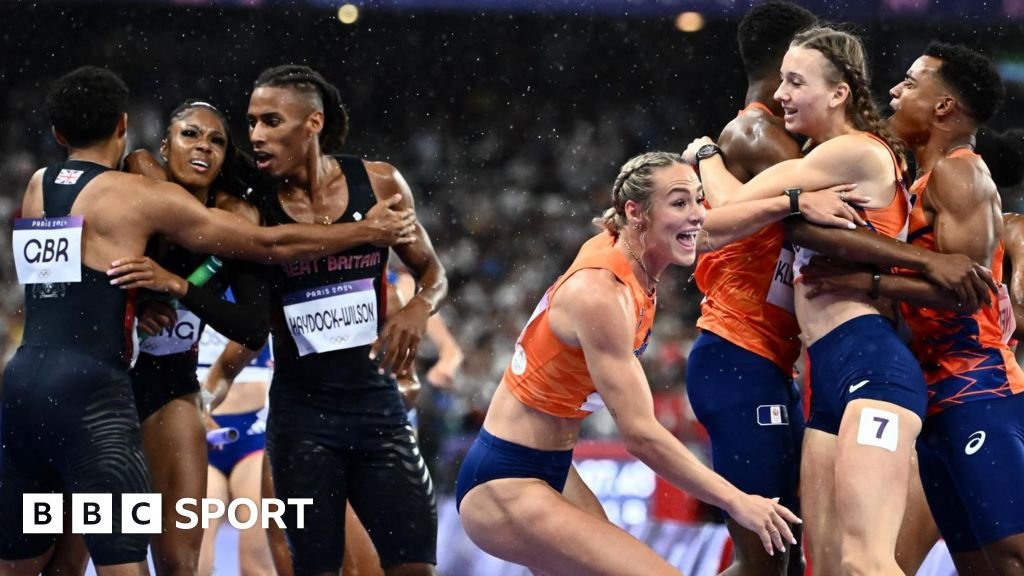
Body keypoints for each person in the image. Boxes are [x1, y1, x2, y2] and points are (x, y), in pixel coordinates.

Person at [0, 65, 417, 576]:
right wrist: (131, 299)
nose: (203, 146)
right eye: (190, 134)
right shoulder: (134, 183)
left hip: (160, 388)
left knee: (177, 563)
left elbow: (253, 317)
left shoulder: (228, 218)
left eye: (217, 140)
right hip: (98, 390)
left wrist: (179, 289)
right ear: (160, 142)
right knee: (71, 557)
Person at [682, 27, 997, 576]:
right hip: (831, 378)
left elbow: (722, 214)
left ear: (839, 94)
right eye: (781, 79)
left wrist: (707, 153)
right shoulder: (832, 155)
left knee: (865, 563)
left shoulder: (855, 152)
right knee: (827, 568)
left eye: (795, 81)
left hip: (873, 367)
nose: (781, 93)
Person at [455, 151, 821, 576]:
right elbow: (641, 436)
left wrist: (791, 203)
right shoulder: (601, 295)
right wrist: (736, 500)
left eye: (699, 200)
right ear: (636, 212)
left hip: (551, 468)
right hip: (504, 481)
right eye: (680, 203)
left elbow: (712, 230)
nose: (698, 215)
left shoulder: (636, 246)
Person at [801, 42, 1024, 575]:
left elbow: (967, 290)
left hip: (979, 387)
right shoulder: (920, 181)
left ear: (943, 107)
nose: (895, 92)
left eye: (910, 83)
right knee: (979, 567)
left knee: (1013, 557)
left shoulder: (960, 173)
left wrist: (868, 279)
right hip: (940, 397)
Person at [246, 64, 446, 576]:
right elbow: (274, 246)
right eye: (251, 122)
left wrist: (420, 308)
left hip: (376, 408)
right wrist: (363, 235)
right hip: (301, 417)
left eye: (271, 121)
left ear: (313, 123)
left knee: (416, 564)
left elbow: (433, 272)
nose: (257, 135)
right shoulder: (252, 201)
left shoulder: (378, 182)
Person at [685, 4, 816, 574]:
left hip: (766, 362)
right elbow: (829, 205)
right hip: (737, 358)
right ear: (788, 57)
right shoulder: (757, 132)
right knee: (761, 562)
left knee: (779, 558)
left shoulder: (766, 135)